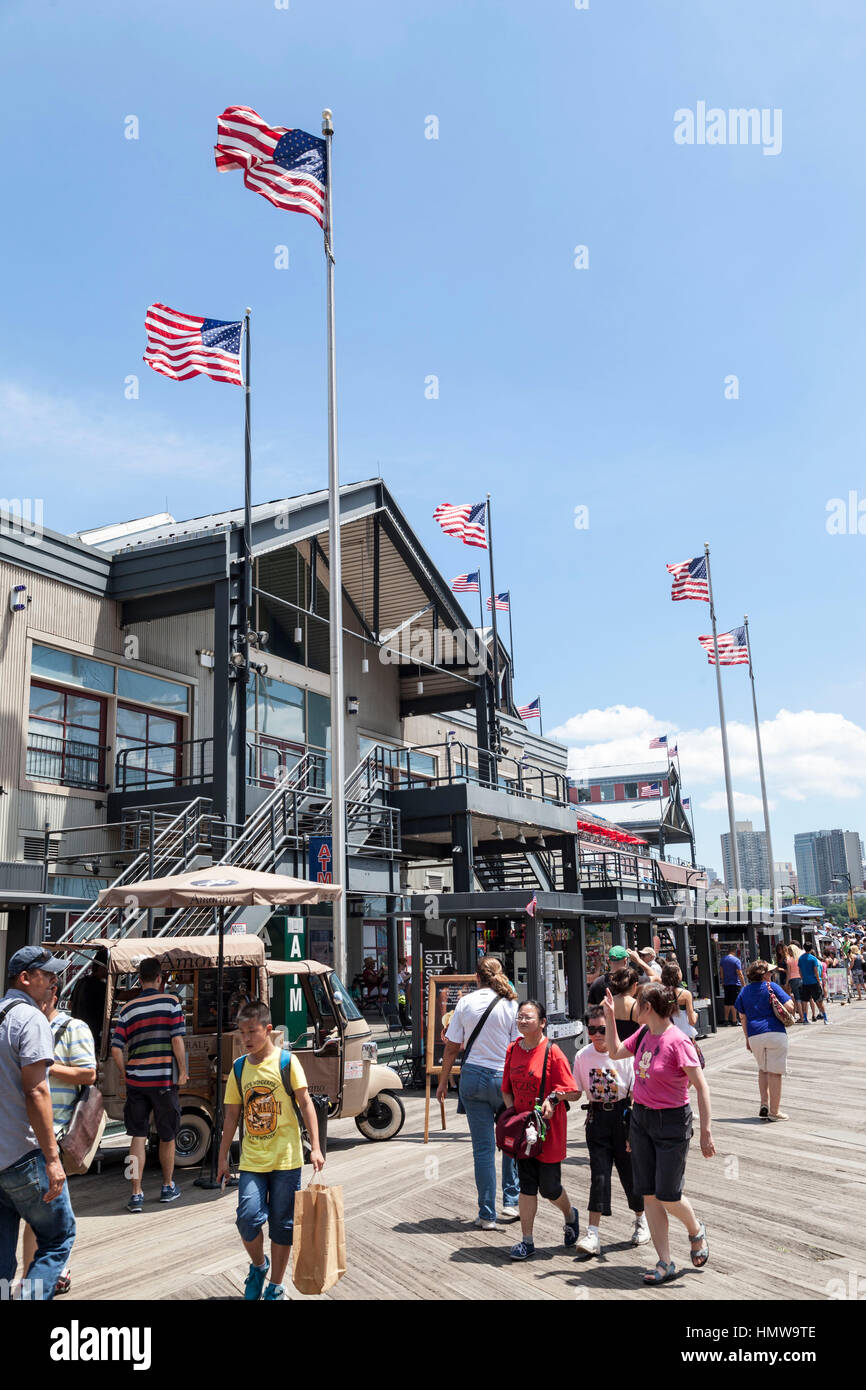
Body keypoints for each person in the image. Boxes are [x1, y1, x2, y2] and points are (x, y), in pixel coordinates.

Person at [601, 982, 715, 1285]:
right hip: (641, 1120)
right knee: (649, 1193)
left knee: (668, 1194)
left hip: (672, 1122)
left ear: (648, 1007)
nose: (634, 1006)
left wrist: (706, 1132)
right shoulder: (642, 1035)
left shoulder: (678, 1041)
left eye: (638, 1002)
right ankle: (665, 1261)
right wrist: (610, 1017)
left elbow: (702, 1087)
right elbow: (613, 1051)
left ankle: (695, 1228)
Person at [217, 1000, 324, 1300]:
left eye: (252, 1031)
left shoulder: (287, 1062)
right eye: (241, 1033)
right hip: (252, 1160)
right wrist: (223, 1155)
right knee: (247, 1217)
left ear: (267, 1030)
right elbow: (231, 1115)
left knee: (283, 1224)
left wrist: (315, 1148)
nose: (246, 1038)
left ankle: (275, 1286)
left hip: (287, 1160)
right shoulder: (239, 1068)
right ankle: (258, 1265)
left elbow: (306, 1105)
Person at [0, 946, 76, 1301]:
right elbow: (37, 1092)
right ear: (25, 978)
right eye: (47, 976)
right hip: (24, 1157)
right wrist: (52, 1158)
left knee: (1, 1261)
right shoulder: (30, 1019)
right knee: (57, 1237)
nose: (53, 983)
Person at [21, 982, 96, 1295]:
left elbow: (89, 1073)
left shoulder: (72, 1027)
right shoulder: (22, 1024)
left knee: (48, 1218)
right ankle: (35, 1278)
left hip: (56, 1133)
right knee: (41, 1216)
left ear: (53, 996)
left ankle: (37, 1279)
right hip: (24, 1137)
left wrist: (47, 1067)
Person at [437, 957, 520, 1228]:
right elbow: (514, 1048)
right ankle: (511, 1202)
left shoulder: (465, 1003)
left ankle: (487, 1215)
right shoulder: (510, 1004)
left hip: (472, 1077)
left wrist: (442, 1081)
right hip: (502, 1078)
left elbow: (452, 1047)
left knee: (483, 1150)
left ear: (477, 977)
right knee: (509, 1140)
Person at [501, 999, 581, 1260]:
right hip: (524, 1133)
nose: (522, 1021)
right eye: (520, 1017)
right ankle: (527, 1240)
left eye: (528, 1017)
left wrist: (554, 1098)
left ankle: (570, 1215)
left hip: (549, 1131)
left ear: (542, 1022)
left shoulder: (552, 1052)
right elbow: (506, 1090)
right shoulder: (513, 1050)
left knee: (549, 1187)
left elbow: (574, 1092)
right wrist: (514, 1117)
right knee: (527, 1185)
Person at [110, 955, 188, 1213]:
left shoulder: (127, 1009)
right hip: (164, 1080)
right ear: (160, 978)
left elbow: (116, 1049)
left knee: (137, 1136)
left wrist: (126, 1073)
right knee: (167, 1135)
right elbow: (177, 1040)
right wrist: (183, 1071)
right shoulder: (171, 1002)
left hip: (137, 1082)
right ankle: (167, 1186)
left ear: (139, 979)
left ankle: (135, 1193)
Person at [573, 1005, 649, 1256]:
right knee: (599, 1174)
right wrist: (554, 1095)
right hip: (596, 1117)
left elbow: (637, 1093)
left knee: (630, 1175)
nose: (597, 1034)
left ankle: (641, 1220)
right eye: (592, 1029)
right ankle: (592, 1233)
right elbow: (575, 1091)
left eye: (602, 1029)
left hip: (624, 1116)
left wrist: (634, 1129)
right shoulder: (583, 1056)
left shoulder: (625, 1053)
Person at [734, 961, 793, 1122]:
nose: (771, 975)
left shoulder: (744, 991)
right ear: (764, 975)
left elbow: (742, 1017)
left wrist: (747, 1039)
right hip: (775, 1033)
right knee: (775, 1073)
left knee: (763, 1069)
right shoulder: (771, 986)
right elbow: (790, 1007)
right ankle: (774, 1111)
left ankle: (764, 1103)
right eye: (770, 973)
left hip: (754, 1035)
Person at [68, 946, 108, 1043]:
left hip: (76, 1033)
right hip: (90, 1035)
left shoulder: (81, 981)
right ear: (101, 967)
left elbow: (70, 1005)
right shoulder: (100, 986)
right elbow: (124, 995)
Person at [661, 963, 698, 1039]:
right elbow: (692, 1021)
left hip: (666, 1036)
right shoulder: (685, 994)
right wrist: (695, 1014)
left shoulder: (660, 993)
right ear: (678, 976)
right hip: (684, 1035)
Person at [609, 967, 642, 1040]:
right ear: (635, 985)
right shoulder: (636, 1006)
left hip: (610, 1049)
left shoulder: (606, 1002)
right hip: (631, 1049)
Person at [797, 946, 828, 1024]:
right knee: (819, 1001)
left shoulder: (800, 958)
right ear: (811, 949)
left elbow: (800, 971)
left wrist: (802, 978)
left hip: (805, 982)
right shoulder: (813, 958)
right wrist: (819, 981)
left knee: (804, 1001)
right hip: (813, 982)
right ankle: (825, 1019)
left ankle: (805, 1019)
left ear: (804, 948)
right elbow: (816, 971)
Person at [719, 948, 745, 1025]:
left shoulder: (723, 960)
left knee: (727, 1002)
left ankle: (726, 1020)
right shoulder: (736, 960)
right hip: (735, 984)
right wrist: (744, 984)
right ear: (734, 952)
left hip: (726, 984)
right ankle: (734, 1020)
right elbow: (739, 973)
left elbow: (721, 972)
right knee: (734, 1002)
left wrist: (723, 982)